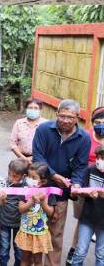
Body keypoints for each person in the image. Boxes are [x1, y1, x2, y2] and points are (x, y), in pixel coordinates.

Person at [32, 98, 90, 266]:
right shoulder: (43, 129)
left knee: (55, 235)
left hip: (61, 193)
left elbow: (81, 166)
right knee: (33, 230)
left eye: (70, 117)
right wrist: (54, 174)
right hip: (38, 187)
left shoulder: (83, 138)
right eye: (62, 116)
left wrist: (77, 184)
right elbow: (38, 157)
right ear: (56, 114)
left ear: (77, 117)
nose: (65, 120)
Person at [15, 162, 56, 265]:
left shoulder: (48, 193)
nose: (29, 179)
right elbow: (21, 209)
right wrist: (31, 201)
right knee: (24, 259)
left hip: (39, 233)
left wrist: (43, 202)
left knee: (38, 261)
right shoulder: (24, 191)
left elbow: (50, 212)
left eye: (33, 177)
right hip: (26, 231)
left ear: (43, 181)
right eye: (28, 176)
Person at [70, 145, 104, 265]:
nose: (100, 161)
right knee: (80, 251)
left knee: (101, 254)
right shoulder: (90, 170)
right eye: (99, 157)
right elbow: (82, 191)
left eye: (103, 158)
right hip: (88, 217)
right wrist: (87, 194)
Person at [0, 158, 29, 266]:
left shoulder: (27, 186)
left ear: (23, 176)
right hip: (4, 222)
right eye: (9, 174)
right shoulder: (4, 183)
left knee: (19, 252)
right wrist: (2, 199)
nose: (11, 178)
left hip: (20, 224)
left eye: (15, 176)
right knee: (3, 250)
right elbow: (0, 205)